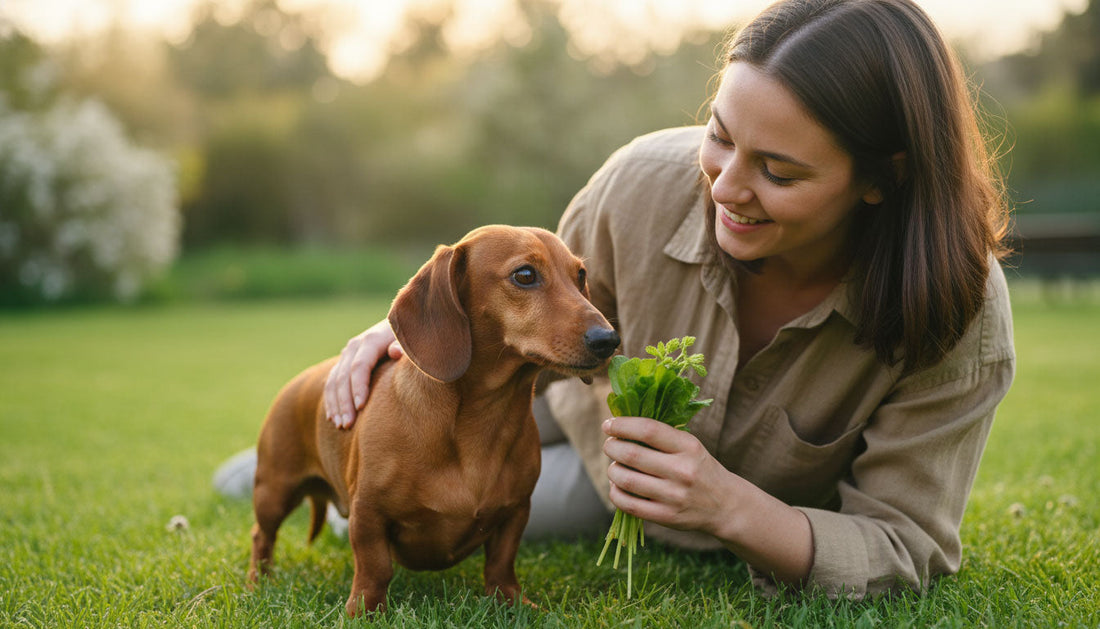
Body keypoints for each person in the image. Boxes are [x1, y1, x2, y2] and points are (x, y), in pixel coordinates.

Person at [272, 0, 1017, 599]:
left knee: (473, 507)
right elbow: (523, 281)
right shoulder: (640, 184)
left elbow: (905, 545)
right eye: (720, 136)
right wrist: (399, 330)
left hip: (608, 488)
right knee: (383, 477)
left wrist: (728, 505)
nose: (724, 188)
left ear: (881, 179)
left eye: (779, 173)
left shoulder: (957, 309)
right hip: (560, 406)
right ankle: (265, 465)